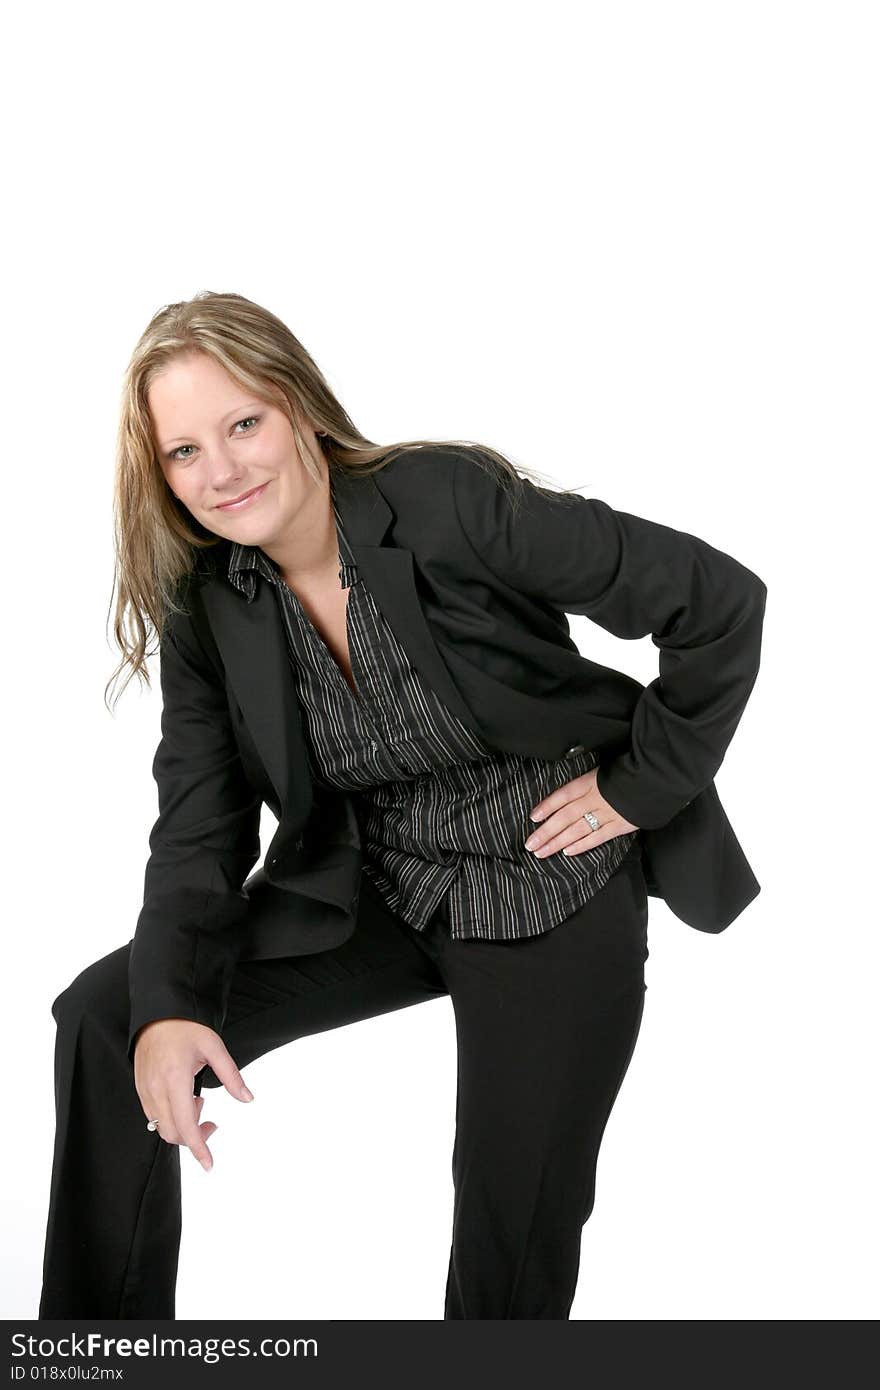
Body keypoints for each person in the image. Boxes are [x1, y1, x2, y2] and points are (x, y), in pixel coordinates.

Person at [38, 291, 768, 1320]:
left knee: (509, 1227)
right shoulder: (209, 602)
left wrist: (637, 788)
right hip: (378, 886)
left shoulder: (441, 500)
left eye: (242, 423)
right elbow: (198, 826)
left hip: (549, 884)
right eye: (184, 451)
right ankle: (98, 1351)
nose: (222, 470)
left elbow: (718, 600)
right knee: (112, 1019)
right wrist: (169, 1007)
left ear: (296, 405)